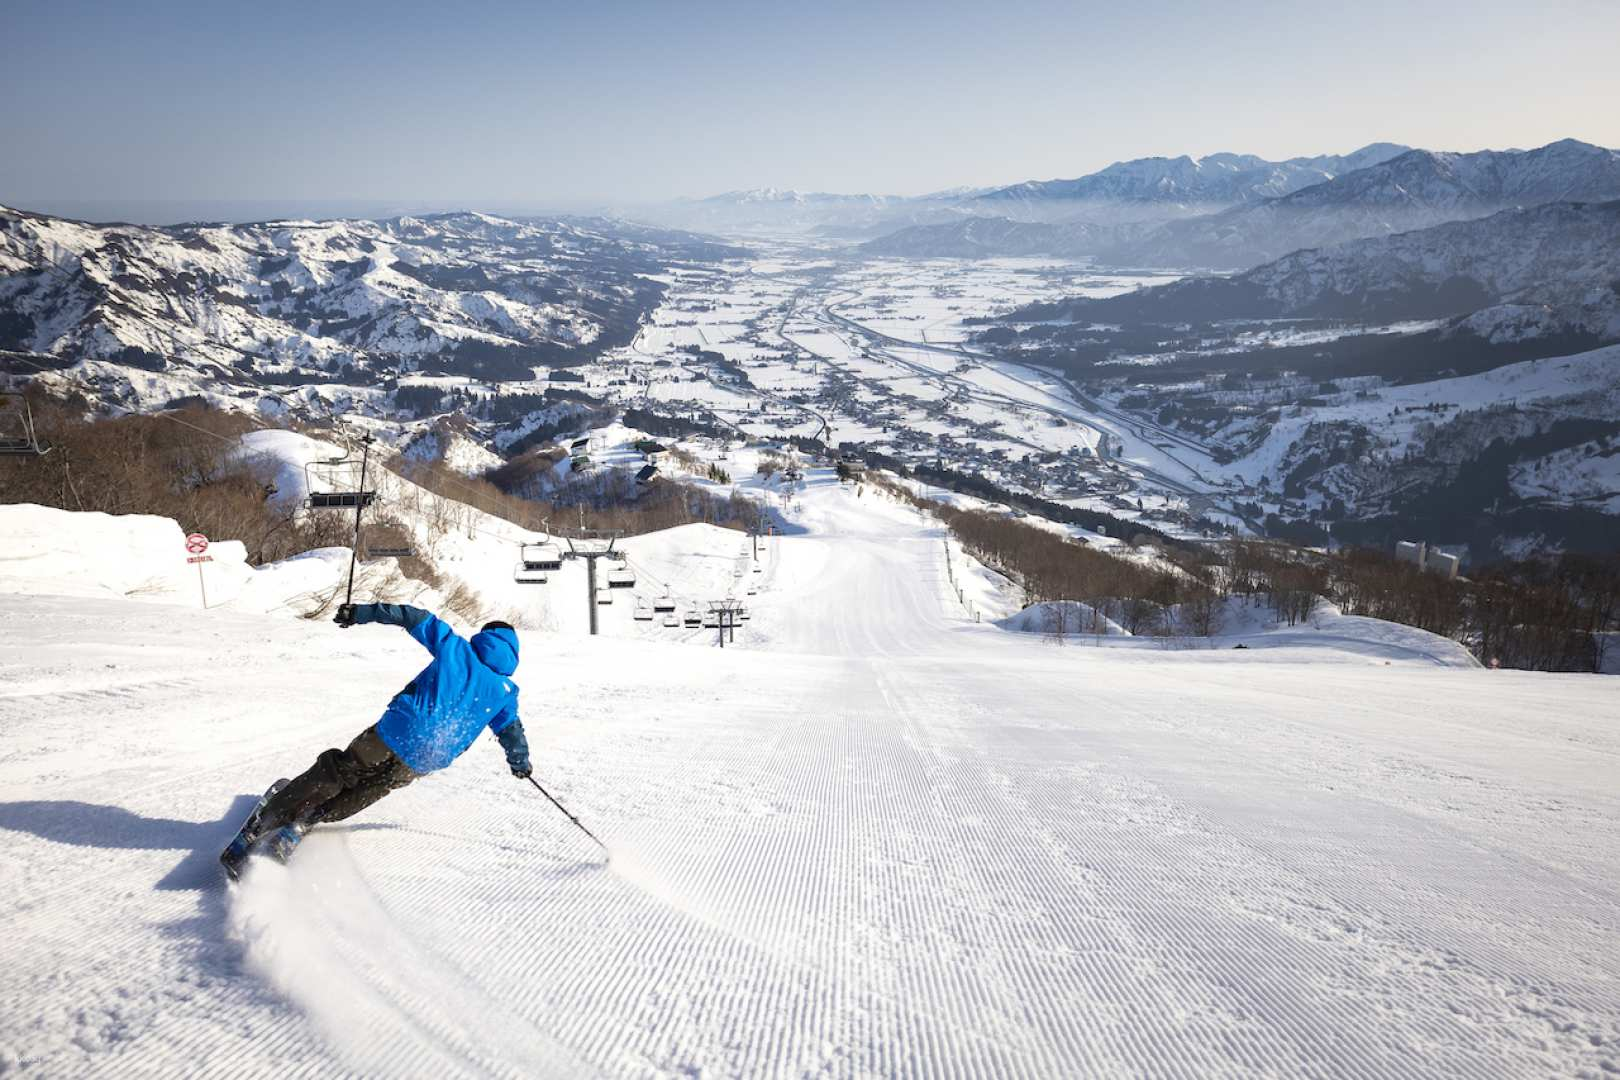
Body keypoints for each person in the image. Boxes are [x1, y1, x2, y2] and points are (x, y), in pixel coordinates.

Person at [221, 603, 530, 876]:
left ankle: (268, 822)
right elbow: (511, 732)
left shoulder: (456, 649)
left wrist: (359, 613)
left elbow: (413, 616)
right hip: (429, 757)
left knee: (341, 770)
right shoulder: (506, 692)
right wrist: (520, 764)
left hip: (399, 729)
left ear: (483, 637)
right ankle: (309, 819)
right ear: (512, 653)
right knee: (374, 787)